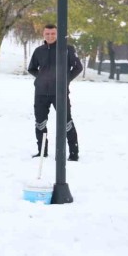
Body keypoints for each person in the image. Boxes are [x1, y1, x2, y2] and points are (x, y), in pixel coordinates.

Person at [27, 24, 83, 161]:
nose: (50, 36)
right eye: (47, 34)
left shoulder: (67, 49)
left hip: (60, 93)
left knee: (66, 122)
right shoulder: (38, 51)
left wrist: (65, 80)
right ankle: (42, 152)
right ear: (43, 34)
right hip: (40, 93)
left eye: (53, 34)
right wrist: (41, 78)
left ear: (57, 34)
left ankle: (74, 154)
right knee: (40, 123)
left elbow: (78, 67)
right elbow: (32, 68)